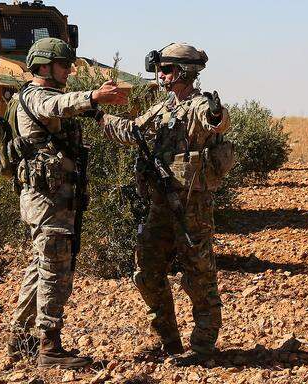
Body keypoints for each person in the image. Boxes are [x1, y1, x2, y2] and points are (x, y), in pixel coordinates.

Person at [98, 42, 232, 366]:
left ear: (184, 72)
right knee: (146, 271)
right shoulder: (164, 109)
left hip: (191, 208)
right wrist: (97, 115)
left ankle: (201, 348)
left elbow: (217, 120)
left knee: (198, 276)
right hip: (161, 205)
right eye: (160, 69)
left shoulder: (199, 106)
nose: (161, 74)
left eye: (167, 69)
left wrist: (217, 113)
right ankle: (169, 342)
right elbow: (132, 131)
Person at [6, 37, 127, 369]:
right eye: (63, 65)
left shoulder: (47, 95)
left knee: (40, 267)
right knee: (55, 272)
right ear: (44, 67)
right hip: (48, 201)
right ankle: (49, 346)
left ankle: (20, 339)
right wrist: (92, 96)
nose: (69, 71)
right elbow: (56, 106)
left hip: (52, 199)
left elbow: (66, 106)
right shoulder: (35, 96)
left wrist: (96, 102)